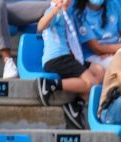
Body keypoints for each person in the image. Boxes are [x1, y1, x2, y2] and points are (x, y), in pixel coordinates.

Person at [36, 0, 104, 130]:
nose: (64, 1)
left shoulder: (69, 14)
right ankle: (51, 85)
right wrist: (54, 12)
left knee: (100, 70)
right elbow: (40, 26)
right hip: (56, 59)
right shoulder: (55, 12)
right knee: (93, 84)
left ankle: (76, 104)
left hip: (69, 57)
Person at [73, 0, 121, 70]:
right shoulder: (79, 13)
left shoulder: (113, 4)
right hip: (94, 56)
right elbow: (96, 48)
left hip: (117, 50)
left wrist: (117, 52)